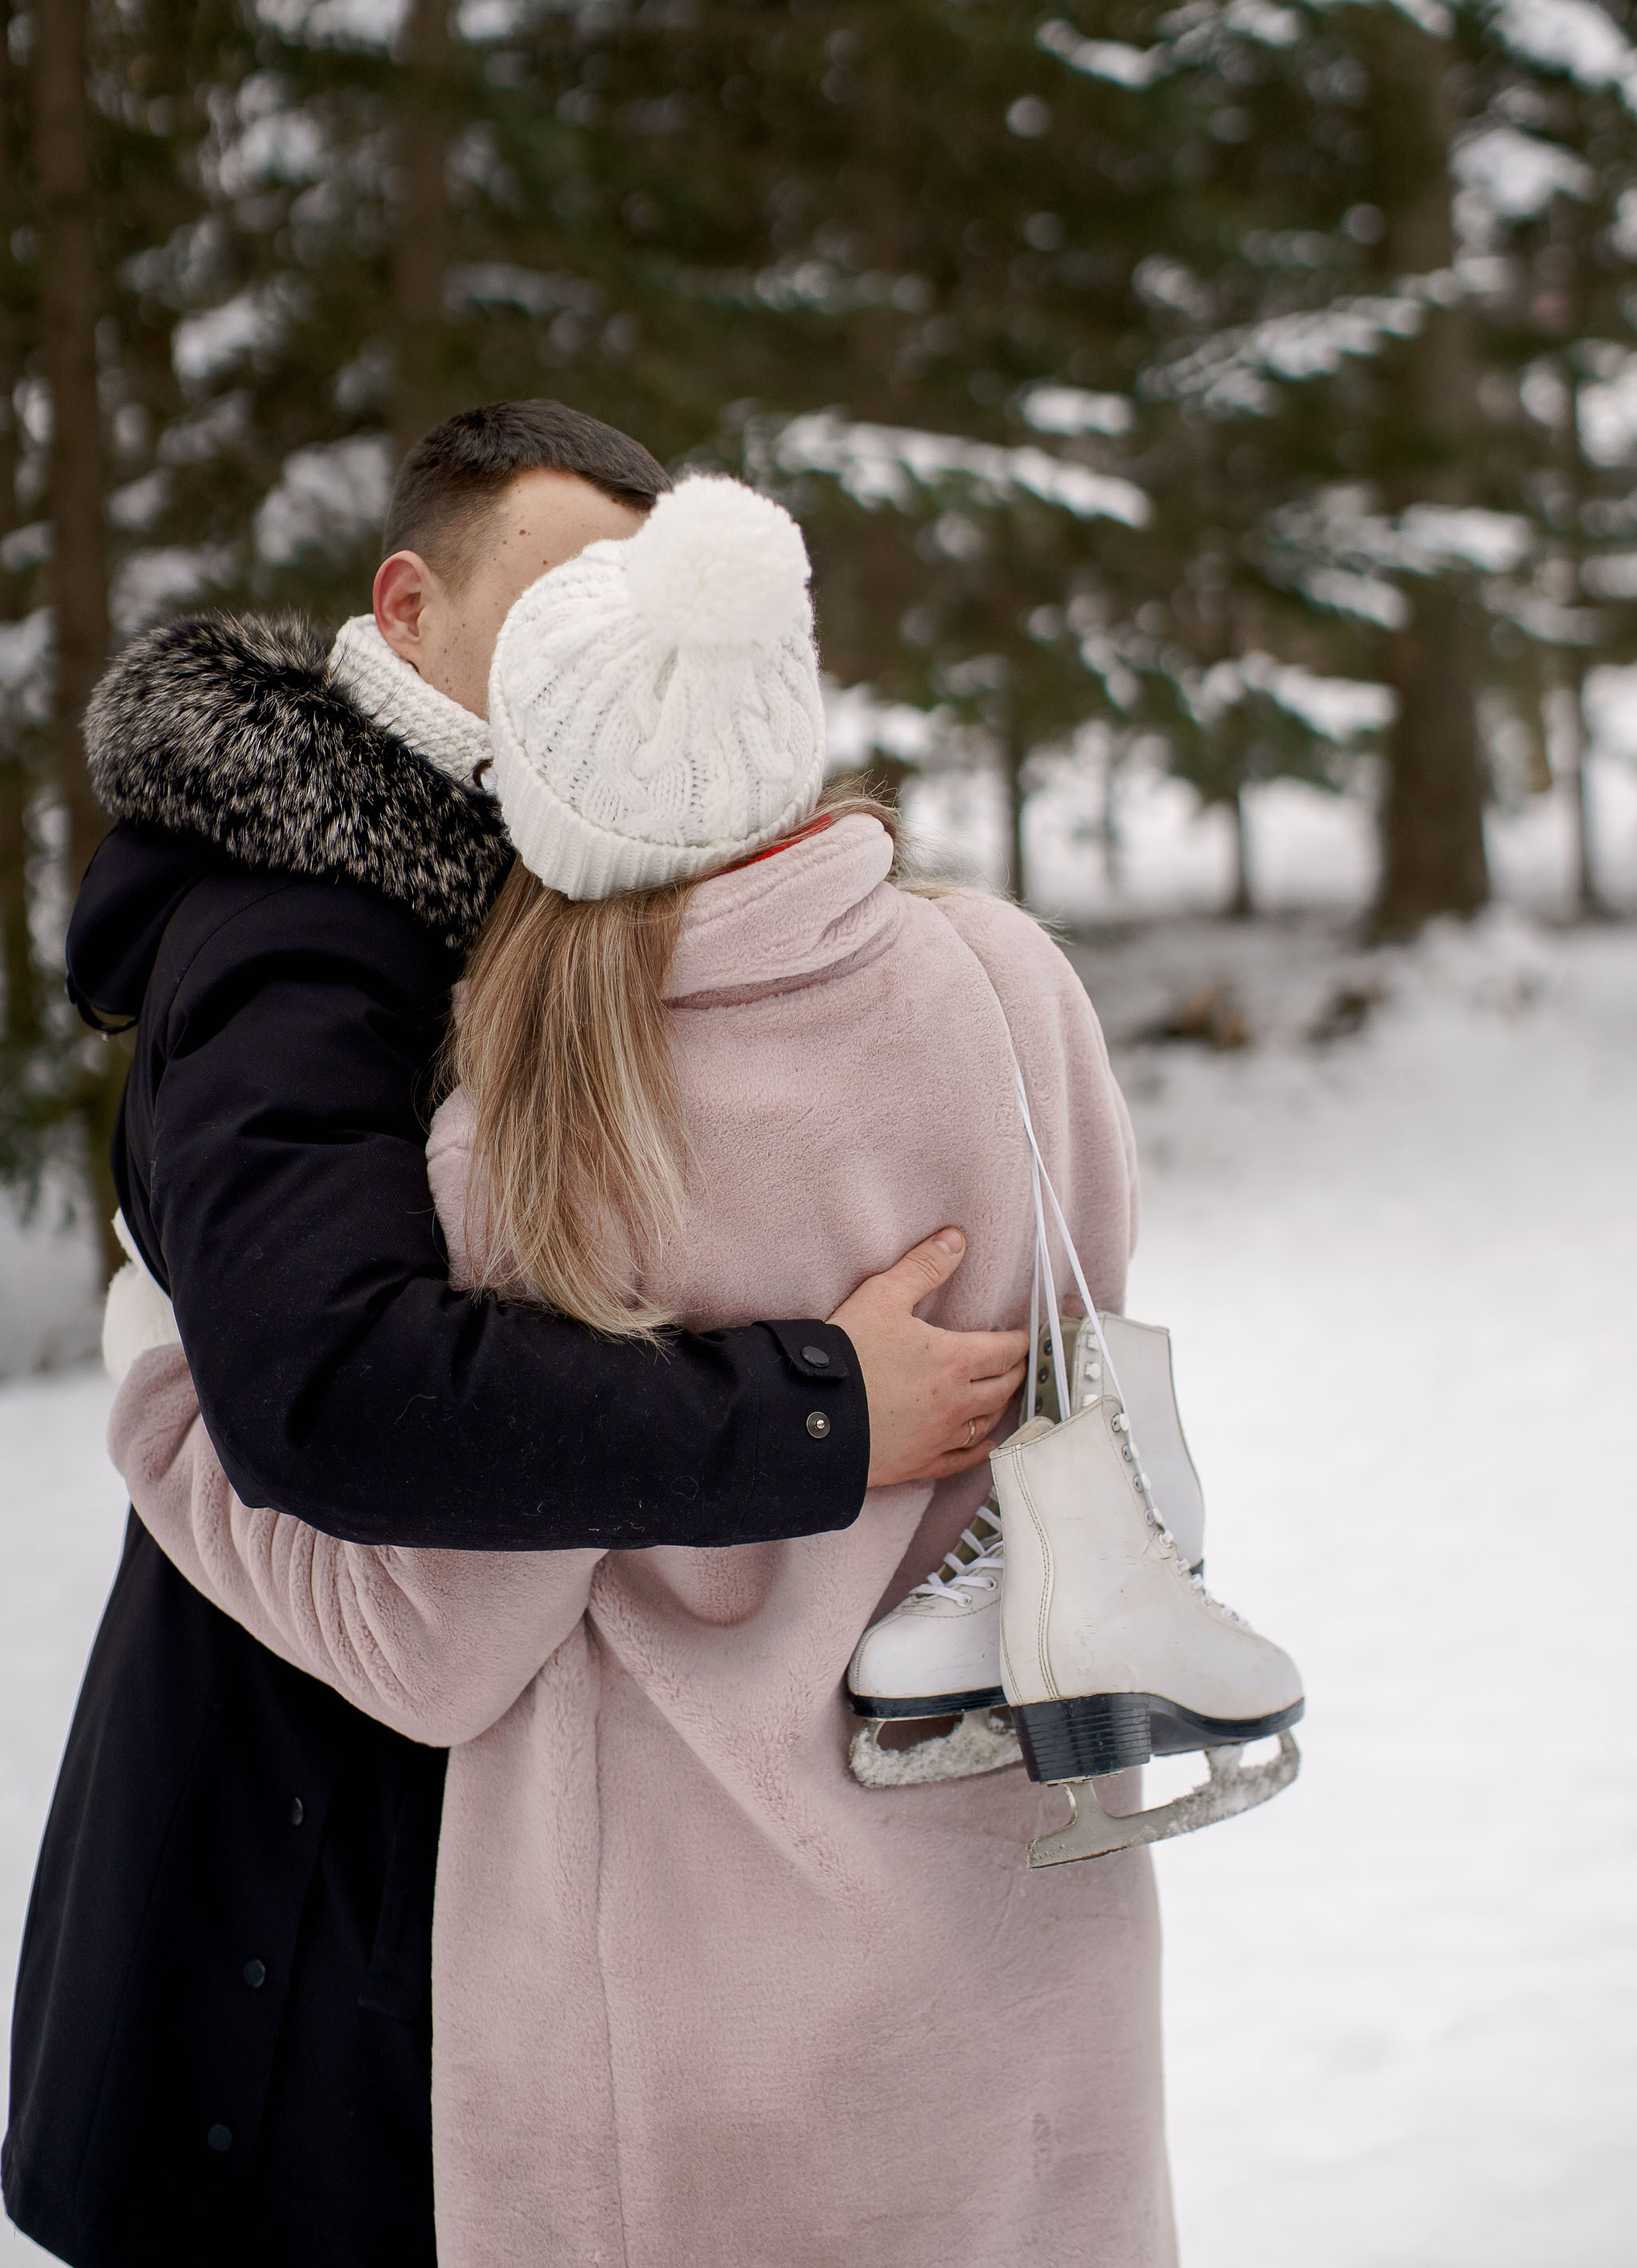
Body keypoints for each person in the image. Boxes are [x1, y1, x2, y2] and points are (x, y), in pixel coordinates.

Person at [103, 471, 1174, 2266]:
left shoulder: (535, 1138)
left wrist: (156, 1399)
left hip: (686, 2043)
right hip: (1017, 1968)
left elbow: (429, 1653)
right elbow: (1082, 1387)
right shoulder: (1009, 986)